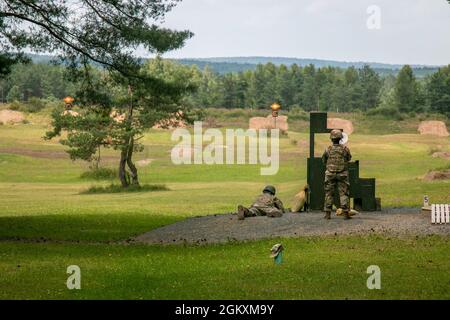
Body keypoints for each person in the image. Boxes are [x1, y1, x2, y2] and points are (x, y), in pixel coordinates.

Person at [322, 129, 352, 220]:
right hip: (342, 174)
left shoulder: (328, 149)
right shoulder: (345, 149)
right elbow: (348, 158)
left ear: (331, 138)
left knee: (329, 194)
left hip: (330, 174)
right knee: (343, 193)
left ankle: (327, 214)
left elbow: (324, 160)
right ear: (340, 138)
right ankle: (346, 214)